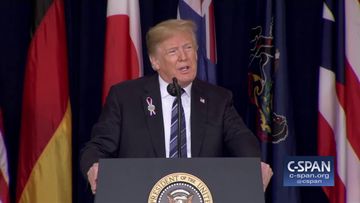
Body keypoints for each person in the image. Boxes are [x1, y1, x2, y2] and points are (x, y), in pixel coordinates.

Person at [80, 19, 273, 194]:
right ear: (154, 61)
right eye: (173, 51)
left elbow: (242, 139)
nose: (183, 57)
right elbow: (98, 146)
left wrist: (253, 165)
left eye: (188, 48)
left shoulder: (218, 99)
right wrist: (94, 166)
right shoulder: (125, 97)